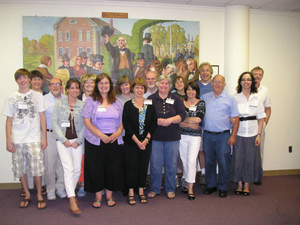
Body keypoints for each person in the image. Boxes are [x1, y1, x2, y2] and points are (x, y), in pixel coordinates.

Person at [3, 68, 47, 209]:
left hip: (34, 138)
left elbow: (42, 117)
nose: (22, 80)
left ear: (29, 79)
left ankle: (39, 194)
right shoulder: (11, 98)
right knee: (21, 168)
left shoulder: (37, 96)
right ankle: (27, 194)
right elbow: (9, 120)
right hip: (17, 139)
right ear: (17, 81)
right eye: (19, 78)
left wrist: (44, 137)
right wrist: (8, 140)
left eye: (25, 77)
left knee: (37, 168)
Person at [82, 73, 124, 208]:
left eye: (106, 83)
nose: (104, 86)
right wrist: (101, 135)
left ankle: (109, 195)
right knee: (96, 168)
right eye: (101, 83)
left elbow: (123, 120)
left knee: (112, 168)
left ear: (110, 85)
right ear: (97, 85)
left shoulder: (117, 101)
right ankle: (98, 196)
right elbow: (86, 121)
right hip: (95, 139)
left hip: (114, 139)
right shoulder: (90, 101)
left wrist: (118, 133)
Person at [147, 75, 186, 199]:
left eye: (166, 83)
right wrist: (156, 120)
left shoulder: (176, 99)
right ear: (158, 84)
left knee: (171, 165)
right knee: (155, 164)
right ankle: (154, 188)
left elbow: (182, 115)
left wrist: (170, 120)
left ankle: (170, 189)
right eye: (162, 83)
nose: (164, 85)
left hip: (172, 137)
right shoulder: (150, 98)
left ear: (170, 86)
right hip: (155, 137)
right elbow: (146, 116)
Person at [201, 75, 239, 198]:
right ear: (212, 83)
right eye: (215, 82)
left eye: (220, 82)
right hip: (207, 135)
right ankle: (211, 185)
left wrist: (233, 136)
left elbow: (236, 119)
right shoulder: (204, 98)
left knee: (223, 162)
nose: (217, 84)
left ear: (224, 84)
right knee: (209, 161)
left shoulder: (230, 99)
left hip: (223, 135)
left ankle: (223, 187)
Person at [229, 72, 266, 196]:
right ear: (240, 82)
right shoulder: (234, 97)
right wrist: (230, 120)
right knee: (238, 159)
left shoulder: (257, 98)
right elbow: (230, 115)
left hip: (252, 133)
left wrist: (259, 134)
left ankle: (247, 185)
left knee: (250, 160)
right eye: (243, 79)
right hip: (238, 133)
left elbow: (261, 118)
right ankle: (239, 184)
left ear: (252, 82)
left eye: (248, 79)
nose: (246, 82)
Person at [51, 78, 84, 214]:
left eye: (77, 88)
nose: (75, 90)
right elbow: (54, 122)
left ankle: (69, 190)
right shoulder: (59, 104)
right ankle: (72, 198)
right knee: (68, 168)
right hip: (62, 141)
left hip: (77, 141)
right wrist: (63, 139)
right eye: (72, 88)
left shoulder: (83, 105)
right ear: (67, 89)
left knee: (77, 169)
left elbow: (86, 125)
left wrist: (79, 140)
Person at [123, 78, 157, 205]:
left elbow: (154, 123)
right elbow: (127, 125)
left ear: (144, 90)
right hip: (132, 142)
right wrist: (138, 142)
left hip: (146, 143)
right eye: (137, 87)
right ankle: (131, 192)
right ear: (133, 89)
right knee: (131, 167)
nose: (139, 90)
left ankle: (141, 191)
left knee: (143, 167)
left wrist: (146, 139)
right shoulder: (127, 105)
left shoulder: (150, 103)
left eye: (142, 88)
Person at [179, 82, 205, 200]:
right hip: (182, 136)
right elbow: (178, 121)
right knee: (184, 161)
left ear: (196, 91)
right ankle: (185, 180)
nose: (191, 92)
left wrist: (184, 121)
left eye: (193, 90)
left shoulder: (201, 103)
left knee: (191, 161)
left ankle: (190, 188)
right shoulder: (180, 102)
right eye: (188, 89)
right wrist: (189, 123)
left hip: (195, 137)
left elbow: (198, 119)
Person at [43, 78, 67, 201]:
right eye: (53, 84)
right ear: (49, 86)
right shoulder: (44, 100)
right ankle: (50, 189)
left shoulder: (66, 99)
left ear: (61, 86)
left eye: (58, 84)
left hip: (64, 135)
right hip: (50, 134)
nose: (55, 86)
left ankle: (61, 188)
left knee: (62, 163)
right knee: (50, 164)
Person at [76, 73, 97, 197]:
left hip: (95, 134)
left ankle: (97, 184)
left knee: (95, 161)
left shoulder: (100, 99)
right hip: (80, 134)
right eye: (86, 82)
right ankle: (82, 185)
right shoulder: (77, 99)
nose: (89, 85)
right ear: (83, 86)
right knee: (82, 161)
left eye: (92, 82)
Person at [251, 66, 271, 186]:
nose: (257, 76)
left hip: (260, 124)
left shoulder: (265, 90)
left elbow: (268, 108)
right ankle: (247, 174)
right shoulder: (246, 88)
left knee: (259, 150)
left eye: (260, 74)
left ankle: (257, 175)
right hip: (248, 124)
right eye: (255, 74)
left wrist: (265, 122)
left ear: (262, 77)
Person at [196, 61, 214, 186]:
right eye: (202, 70)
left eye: (207, 70)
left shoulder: (215, 85)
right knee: (201, 150)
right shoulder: (195, 85)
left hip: (213, 124)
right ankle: (202, 173)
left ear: (211, 73)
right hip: (199, 123)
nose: (205, 73)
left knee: (212, 151)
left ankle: (211, 174)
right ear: (199, 72)